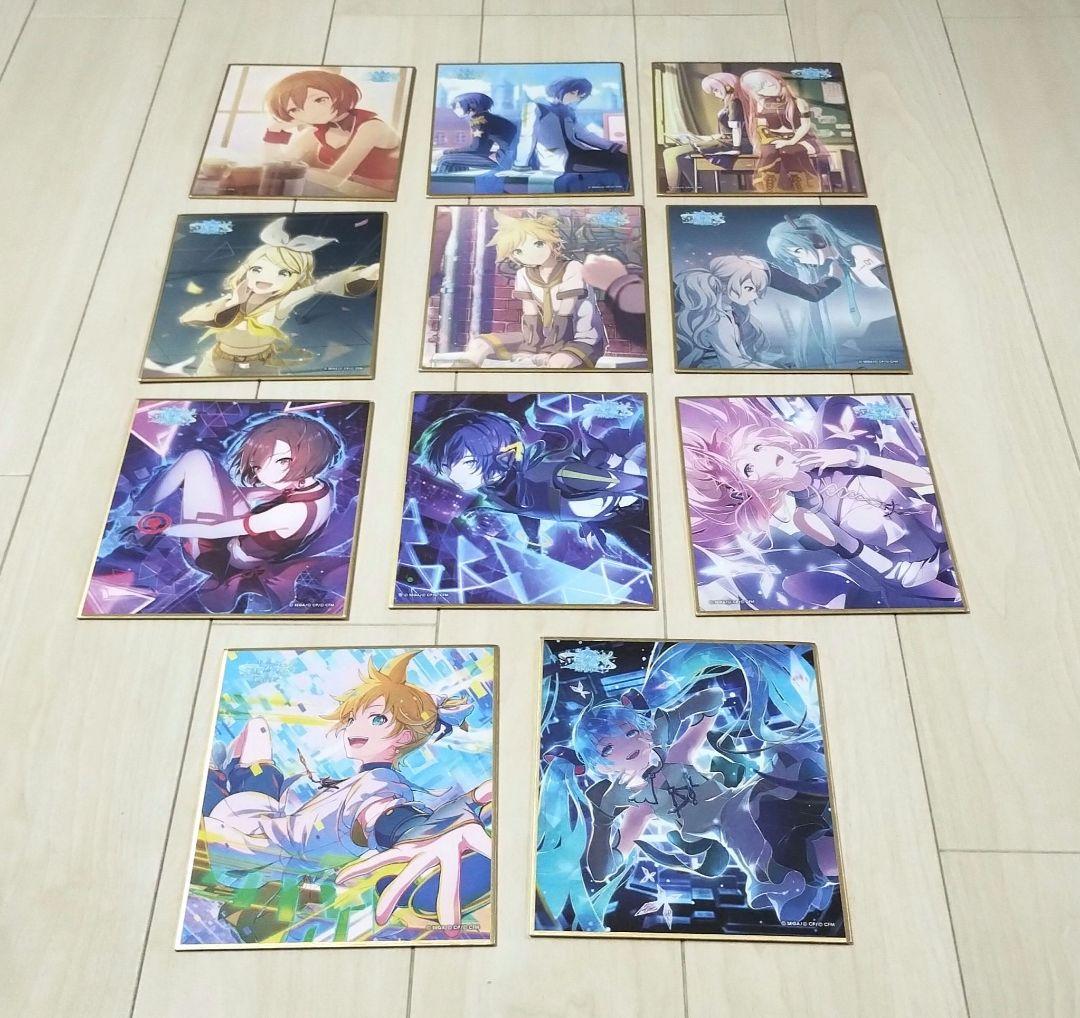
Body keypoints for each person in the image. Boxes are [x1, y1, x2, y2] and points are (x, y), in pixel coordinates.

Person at [199, 651, 492, 941]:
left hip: (234, 836)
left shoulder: (380, 786)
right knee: (257, 728)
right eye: (352, 718)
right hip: (262, 810)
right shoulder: (366, 779)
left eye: (377, 719)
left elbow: (383, 814)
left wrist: (422, 830)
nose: (355, 728)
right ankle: (225, 769)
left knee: (206, 763)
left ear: (403, 736)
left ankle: (218, 772)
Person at [131, 412, 346, 612]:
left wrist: (165, 529)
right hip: (242, 541)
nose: (257, 473)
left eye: (260, 466)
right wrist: (225, 490)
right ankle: (140, 513)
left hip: (216, 555)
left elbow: (213, 530)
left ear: (292, 462)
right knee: (201, 463)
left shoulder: (290, 513)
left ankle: (135, 520)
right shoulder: (319, 487)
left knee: (195, 459)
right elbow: (262, 496)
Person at [175, 217, 378, 376]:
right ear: (247, 269)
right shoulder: (234, 296)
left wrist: (363, 276)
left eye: (283, 273)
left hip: (260, 365)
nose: (266, 278)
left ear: (296, 279)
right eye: (257, 269)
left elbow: (320, 287)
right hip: (216, 361)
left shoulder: (281, 303)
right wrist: (231, 304)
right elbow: (188, 318)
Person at [263, 69, 401, 196]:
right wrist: (274, 131)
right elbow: (278, 165)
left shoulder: (372, 127)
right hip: (343, 192)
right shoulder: (317, 130)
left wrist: (294, 171)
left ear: (341, 94)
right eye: (294, 109)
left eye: (319, 100)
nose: (310, 112)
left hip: (381, 197)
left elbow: (334, 180)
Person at [512, 76, 628, 178]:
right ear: (563, 90)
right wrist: (521, 164)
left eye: (580, 96)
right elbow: (527, 136)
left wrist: (613, 146)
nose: (577, 99)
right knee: (620, 163)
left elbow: (584, 135)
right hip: (559, 160)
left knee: (623, 158)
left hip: (579, 153)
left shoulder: (568, 111)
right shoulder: (534, 107)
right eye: (575, 94)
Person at [739, 68, 828, 193]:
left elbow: (805, 125)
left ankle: (805, 183)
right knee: (769, 151)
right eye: (760, 86)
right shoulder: (762, 104)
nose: (767, 86)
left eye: (767, 81)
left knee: (790, 150)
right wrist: (770, 140)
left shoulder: (799, 102)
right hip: (774, 139)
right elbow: (761, 126)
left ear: (778, 80)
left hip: (800, 138)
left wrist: (791, 141)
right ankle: (767, 184)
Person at [662, 71, 750, 192]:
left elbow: (736, 127)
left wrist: (736, 148)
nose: (714, 93)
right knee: (682, 158)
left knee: (670, 153)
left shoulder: (734, 103)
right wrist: (705, 138)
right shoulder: (729, 103)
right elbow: (727, 132)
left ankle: (676, 190)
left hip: (734, 143)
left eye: (716, 90)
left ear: (727, 86)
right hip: (728, 140)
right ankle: (694, 190)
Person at [437, 91, 517, 170]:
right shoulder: (490, 118)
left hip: (503, 160)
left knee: (445, 160)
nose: (455, 110)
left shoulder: (479, 120)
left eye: (458, 106)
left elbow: (475, 147)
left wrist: (448, 151)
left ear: (470, 105)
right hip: (508, 158)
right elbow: (483, 147)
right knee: (456, 157)